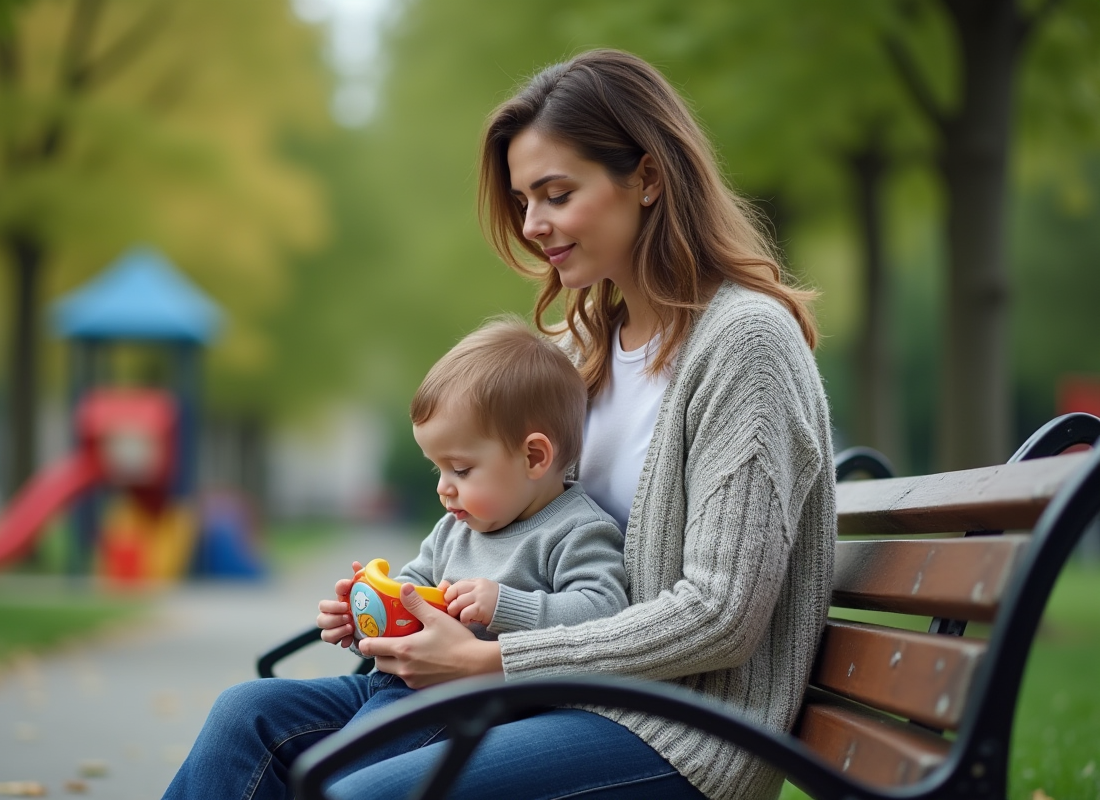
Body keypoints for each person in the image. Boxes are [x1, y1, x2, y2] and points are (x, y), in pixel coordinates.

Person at [164, 47, 835, 800]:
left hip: (681, 730)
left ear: (647, 177)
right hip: (543, 698)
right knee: (245, 719)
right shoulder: (580, 352)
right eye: (523, 200)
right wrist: (403, 613)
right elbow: (507, 537)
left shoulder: (744, 344)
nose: (533, 225)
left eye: (555, 194)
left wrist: (493, 661)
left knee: (361, 792)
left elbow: (720, 616)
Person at [162, 318, 628, 798]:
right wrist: (363, 616)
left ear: (534, 457)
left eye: (461, 468)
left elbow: (607, 613)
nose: (444, 487)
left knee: (343, 776)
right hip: (394, 687)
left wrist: (505, 605)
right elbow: (414, 588)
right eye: (437, 467)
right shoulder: (457, 525)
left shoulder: (578, 530)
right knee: (245, 710)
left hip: (469, 708)